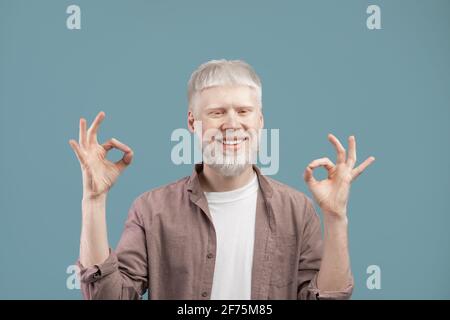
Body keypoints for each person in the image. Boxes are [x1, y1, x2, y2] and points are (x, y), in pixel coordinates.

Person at [69, 59, 375, 300]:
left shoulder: (297, 210)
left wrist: (335, 217)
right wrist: (93, 201)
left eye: (243, 111)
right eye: (217, 113)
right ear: (193, 122)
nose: (232, 124)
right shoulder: (151, 210)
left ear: (260, 120)